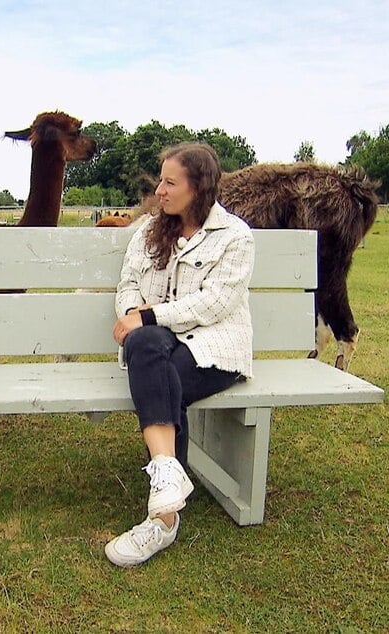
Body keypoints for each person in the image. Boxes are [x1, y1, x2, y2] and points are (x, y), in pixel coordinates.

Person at [105, 143, 255, 567]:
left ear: (199, 187)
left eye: (170, 183)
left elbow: (215, 304)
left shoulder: (234, 237)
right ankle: (167, 488)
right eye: (161, 180)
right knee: (147, 346)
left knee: (157, 366)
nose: (160, 190)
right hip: (158, 344)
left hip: (214, 347)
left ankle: (162, 515)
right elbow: (128, 286)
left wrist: (147, 317)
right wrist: (136, 317)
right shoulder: (150, 231)